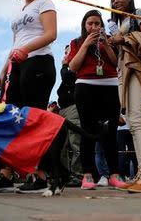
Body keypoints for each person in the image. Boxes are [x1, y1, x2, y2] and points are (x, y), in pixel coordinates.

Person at [0, 0, 57, 193]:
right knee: (12, 118)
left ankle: (42, 175)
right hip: (18, 65)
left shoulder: (45, 2)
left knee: (33, 118)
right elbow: (15, 43)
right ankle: (6, 173)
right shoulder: (19, 12)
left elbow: (51, 34)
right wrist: (4, 69)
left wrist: (26, 51)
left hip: (38, 62)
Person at [68, 9, 126, 190]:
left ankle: (114, 174)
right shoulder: (77, 42)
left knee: (110, 132)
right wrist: (86, 44)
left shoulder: (109, 39)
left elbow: (116, 63)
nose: (94, 27)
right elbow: (73, 66)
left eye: (97, 23)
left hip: (109, 86)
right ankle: (88, 175)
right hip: (85, 86)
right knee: (88, 131)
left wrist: (106, 45)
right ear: (84, 26)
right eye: (90, 23)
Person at [108, 0, 141, 192]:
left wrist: (123, 39)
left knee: (136, 119)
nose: (115, 1)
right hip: (123, 71)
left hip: (136, 69)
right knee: (132, 120)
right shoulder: (118, 23)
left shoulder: (138, 14)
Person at [57, 44, 82, 187]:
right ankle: (64, 174)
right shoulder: (67, 68)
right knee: (62, 143)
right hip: (63, 108)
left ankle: (78, 174)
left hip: (74, 107)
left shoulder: (76, 66)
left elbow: (67, 78)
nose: (65, 55)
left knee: (75, 141)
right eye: (65, 52)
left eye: (68, 52)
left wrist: (64, 66)